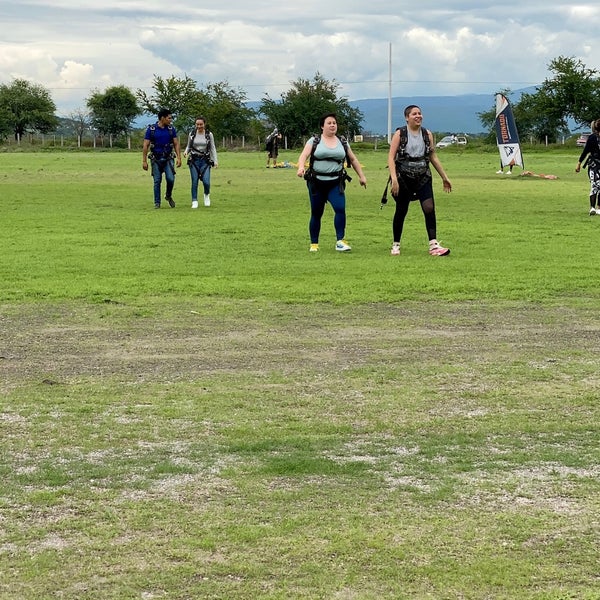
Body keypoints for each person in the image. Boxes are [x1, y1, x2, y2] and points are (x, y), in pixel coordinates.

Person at [387, 104, 452, 256]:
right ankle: (396, 244)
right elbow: (390, 157)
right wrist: (394, 179)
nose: (418, 116)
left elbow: (433, 156)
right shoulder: (400, 134)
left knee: (429, 207)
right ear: (407, 118)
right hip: (403, 177)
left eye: (420, 113)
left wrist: (445, 177)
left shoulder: (427, 134)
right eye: (414, 114)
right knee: (401, 210)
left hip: (423, 176)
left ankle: (434, 245)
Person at [296, 113, 367, 252]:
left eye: (334, 123)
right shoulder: (314, 141)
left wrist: (361, 176)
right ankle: (314, 244)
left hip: (336, 183)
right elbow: (304, 155)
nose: (332, 125)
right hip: (316, 183)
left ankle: (340, 241)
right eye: (329, 123)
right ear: (322, 126)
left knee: (340, 209)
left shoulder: (342, 141)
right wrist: (300, 167)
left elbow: (353, 159)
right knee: (316, 213)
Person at [142, 109, 182, 209]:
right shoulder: (151, 130)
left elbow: (176, 143)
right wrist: (144, 161)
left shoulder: (171, 129)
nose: (170, 120)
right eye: (169, 118)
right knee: (157, 181)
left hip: (168, 158)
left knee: (170, 179)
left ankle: (168, 195)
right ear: (162, 118)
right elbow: (146, 145)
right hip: (156, 158)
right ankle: (157, 203)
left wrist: (179, 157)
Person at [183, 116, 218, 208]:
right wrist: (186, 152)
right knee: (194, 181)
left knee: (206, 182)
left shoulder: (209, 134)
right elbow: (188, 146)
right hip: (194, 160)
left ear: (204, 124)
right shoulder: (192, 134)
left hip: (205, 161)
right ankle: (194, 200)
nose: (199, 126)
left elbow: (212, 148)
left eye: (201, 124)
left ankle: (206, 195)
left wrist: (215, 160)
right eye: (197, 124)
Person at [575, 119, 600, 215]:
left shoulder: (592, 137)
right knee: (595, 185)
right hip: (594, 165)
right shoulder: (592, 138)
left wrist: (579, 163)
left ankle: (596, 208)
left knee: (597, 186)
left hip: (595, 164)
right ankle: (594, 207)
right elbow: (586, 151)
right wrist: (579, 163)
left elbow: (585, 152)